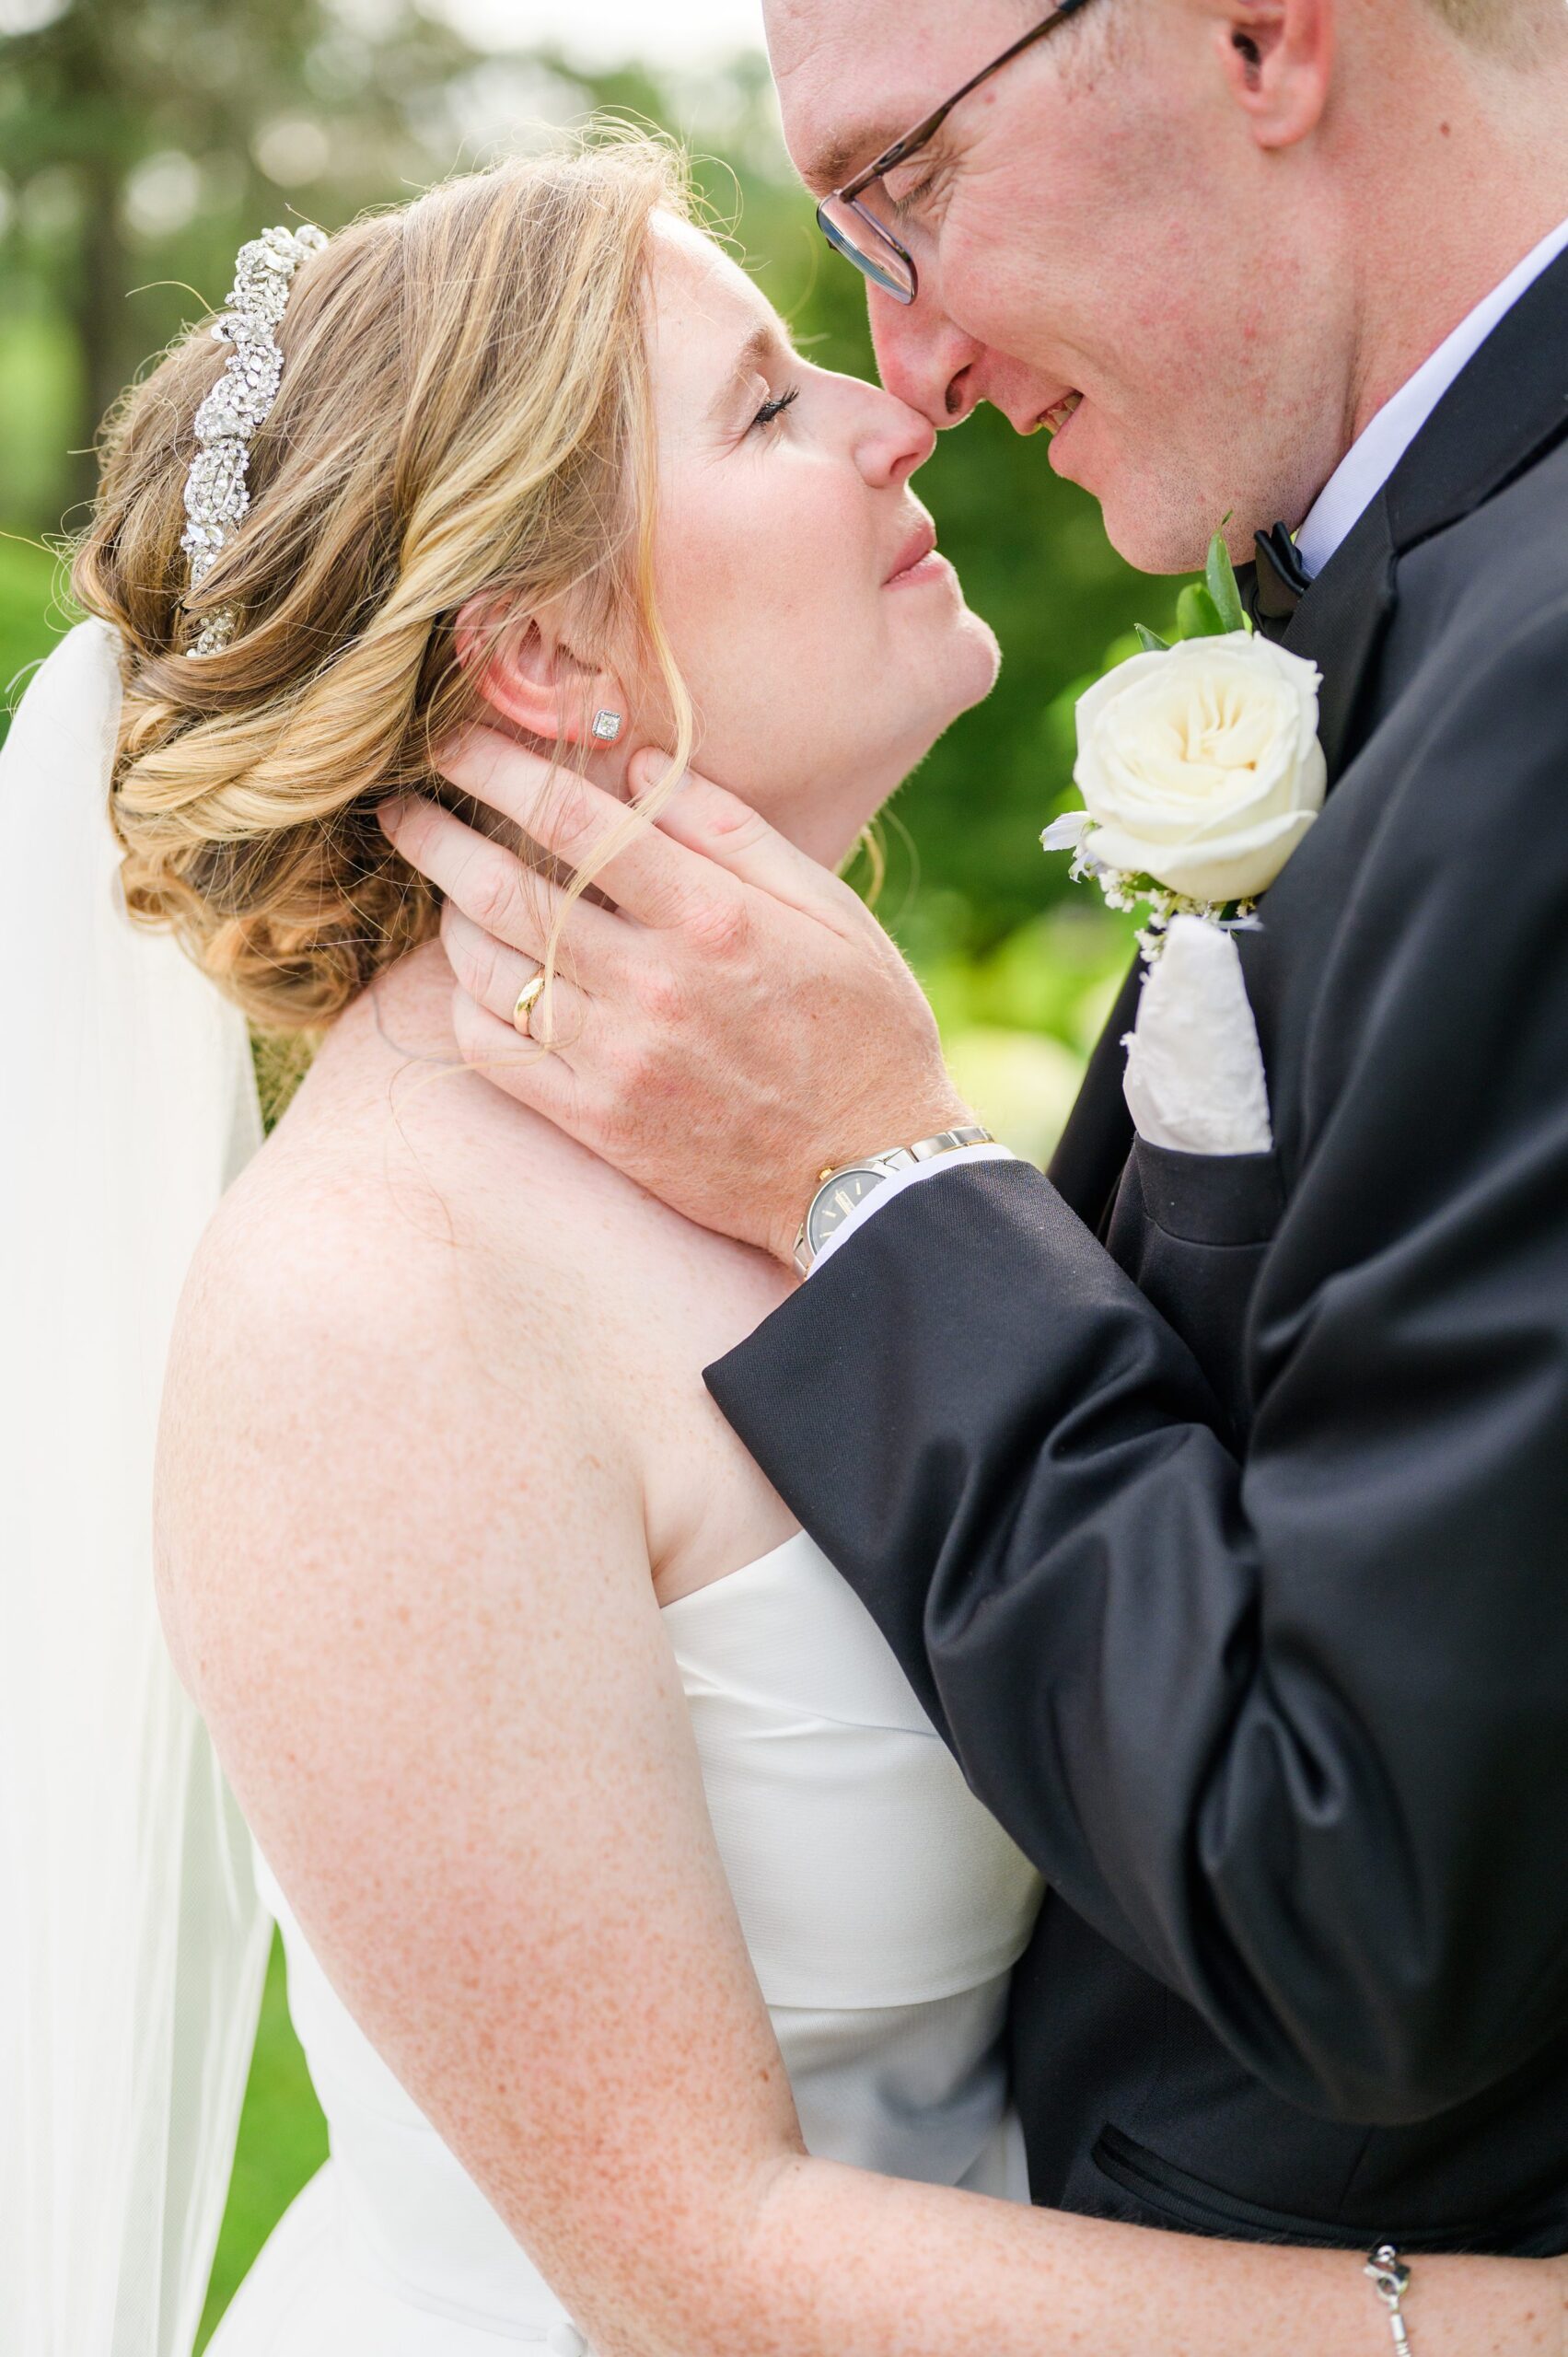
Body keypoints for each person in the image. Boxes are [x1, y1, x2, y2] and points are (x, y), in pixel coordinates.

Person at [5, 130, 1558, 2357]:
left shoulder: (790, 1116)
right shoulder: (371, 1304)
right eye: (762, 404)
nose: (895, 408)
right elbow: (698, 2268)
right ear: (541, 652)